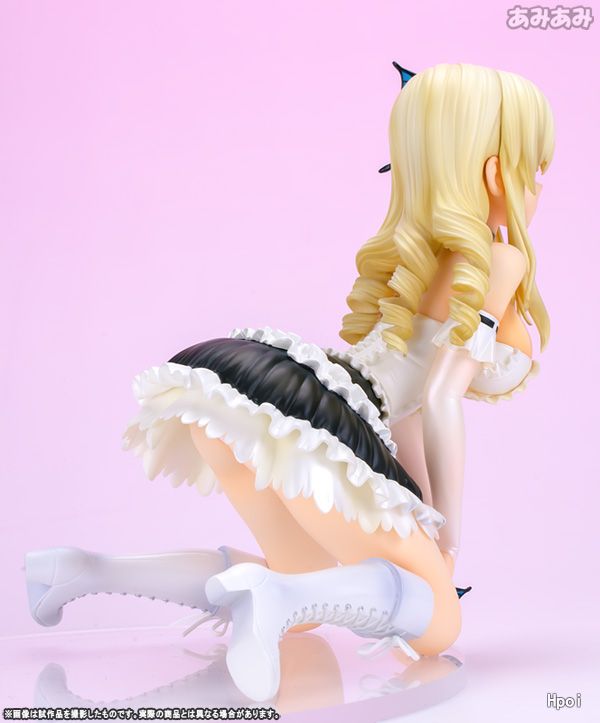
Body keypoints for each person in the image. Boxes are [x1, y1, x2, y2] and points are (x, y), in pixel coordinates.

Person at [24, 62, 554, 702]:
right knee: (439, 623)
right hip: (322, 426)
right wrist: (447, 538)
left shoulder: (417, 258)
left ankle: (79, 571)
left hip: (262, 401)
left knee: (298, 569)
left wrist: (415, 507)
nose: (537, 186)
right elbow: (439, 398)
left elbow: (406, 409)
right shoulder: (498, 259)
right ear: (496, 172)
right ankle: (270, 599)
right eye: (536, 169)